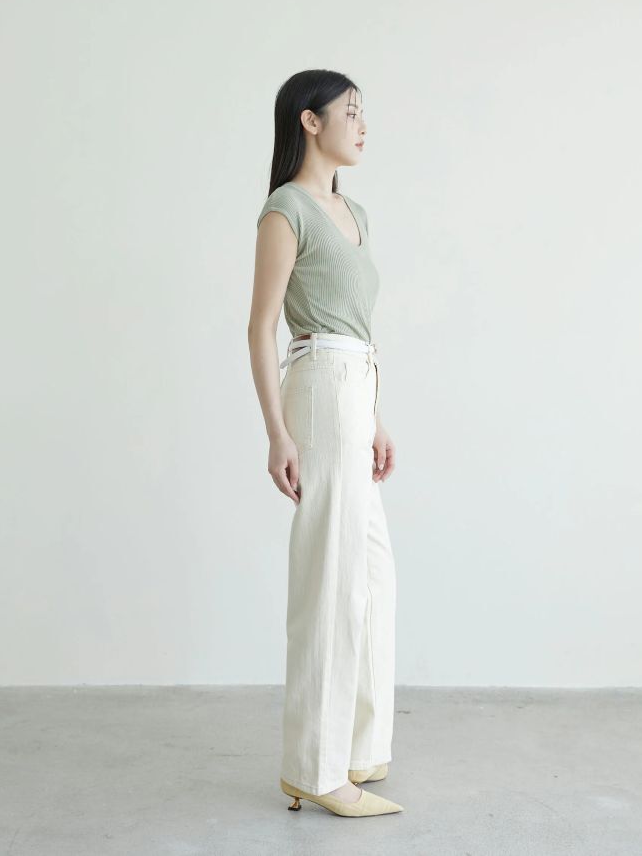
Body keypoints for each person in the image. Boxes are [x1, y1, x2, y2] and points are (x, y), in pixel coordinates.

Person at [247, 69, 403, 818]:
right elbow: (261, 325)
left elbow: (356, 326)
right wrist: (276, 432)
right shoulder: (288, 209)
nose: (362, 125)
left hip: (354, 391)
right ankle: (315, 766)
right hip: (317, 391)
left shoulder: (354, 211)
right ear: (310, 122)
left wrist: (375, 415)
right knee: (331, 580)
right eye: (350, 112)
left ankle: (357, 747)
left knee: (372, 576)